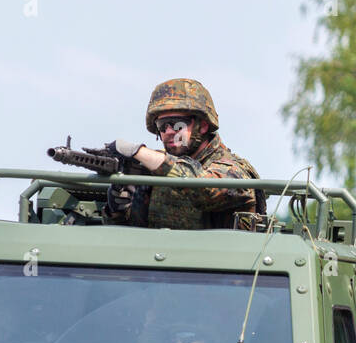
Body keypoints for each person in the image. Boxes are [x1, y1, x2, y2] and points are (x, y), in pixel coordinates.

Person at [106, 78, 264, 230]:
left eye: (176, 124)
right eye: (162, 126)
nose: (168, 132)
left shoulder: (234, 170)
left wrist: (138, 152)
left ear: (202, 126)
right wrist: (120, 207)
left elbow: (205, 191)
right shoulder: (156, 174)